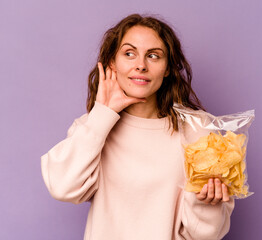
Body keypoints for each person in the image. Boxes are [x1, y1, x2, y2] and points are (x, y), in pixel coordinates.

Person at [41, 13, 234, 240]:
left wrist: (206, 203)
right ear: (112, 62)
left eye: (153, 56)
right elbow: (62, 187)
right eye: (129, 54)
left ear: (168, 67)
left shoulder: (197, 128)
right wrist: (103, 114)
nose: (140, 65)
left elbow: (207, 235)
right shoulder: (94, 127)